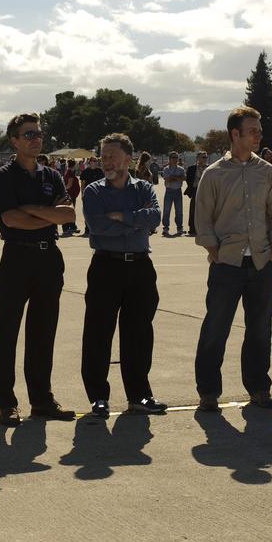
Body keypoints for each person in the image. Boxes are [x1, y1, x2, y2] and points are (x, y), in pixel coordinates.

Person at [0, 113, 77, 426]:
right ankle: (6, 403)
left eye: (38, 134)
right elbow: (11, 219)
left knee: (43, 332)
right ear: (14, 140)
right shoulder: (4, 176)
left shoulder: (51, 175)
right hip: (17, 258)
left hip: (48, 258)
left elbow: (68, 215)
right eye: (28, 135)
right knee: (7, 331)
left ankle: (42, 400)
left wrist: (33, 210)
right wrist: (47, 215)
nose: (35, 139)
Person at [193, 107, 272, 412]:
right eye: (253, 130)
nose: (259, 135)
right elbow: (202, 218)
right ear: (236, 134)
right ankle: (208, 391)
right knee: (216, 329)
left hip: (261, 263)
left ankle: (259, 388)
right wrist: (214, 251)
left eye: (260, 130)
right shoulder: (214, 173)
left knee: (260, 329)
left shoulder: (267, 172)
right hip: (227, 265)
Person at [79, 133, 167, 418]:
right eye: (103, 156)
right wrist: (133, 220)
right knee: (98, 333)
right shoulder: (93, 191)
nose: (105, 162)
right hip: (106, 267)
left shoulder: (143, 188)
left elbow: (154, 218)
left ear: (128, 160)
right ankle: (98, 398)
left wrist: (120, 216)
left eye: (111, 157)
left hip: (140, 267)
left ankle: (139, 396)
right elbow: (98, 226)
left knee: (139, 333)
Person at [160, 155, 186, 236]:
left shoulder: (181, 169)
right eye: (173, 158)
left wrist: (173, 177)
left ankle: (179, 228)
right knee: (166, 210)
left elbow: (183, 178)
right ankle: (166, 228)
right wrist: (177, 178)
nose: (175, 159)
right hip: (169, 191)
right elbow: (167, 179)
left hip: (178, 191)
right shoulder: (166, 169)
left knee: (179, 211)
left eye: (176, 158)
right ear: (170, 159)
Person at [185, 152, 208, 236]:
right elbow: (188, 179)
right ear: (198, 158)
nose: (205, 159)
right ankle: (192, 228)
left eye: (206, 157)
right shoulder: (192, 168)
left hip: (206, 191)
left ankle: (205, 228)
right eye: (203, 157)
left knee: (206, 210)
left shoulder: (209, 168)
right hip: (195, 190)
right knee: (193, 210)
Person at [62, 159, 81, 236]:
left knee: (70, 211)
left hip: (71, 194)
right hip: (70, 195)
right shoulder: (70, 173)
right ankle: (67, 228)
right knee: (69, 211)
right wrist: (64, 191)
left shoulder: (68, 172)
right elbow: (69, 185)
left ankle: (72, 226)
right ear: (74, 165)